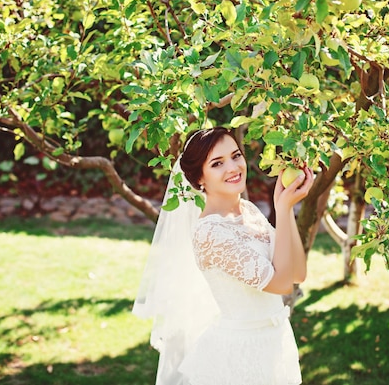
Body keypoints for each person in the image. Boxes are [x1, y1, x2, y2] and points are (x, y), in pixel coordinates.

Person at [133, 126, 313, 385]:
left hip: (275, 343)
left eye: (236, 156)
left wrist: (286, 209)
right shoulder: (210, 232)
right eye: (217, 163)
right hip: (238, 357)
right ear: (200, 179)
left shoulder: (248, 211)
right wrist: (282, 209)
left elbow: (297, 273)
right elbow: (282, 285)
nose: (233, 167)